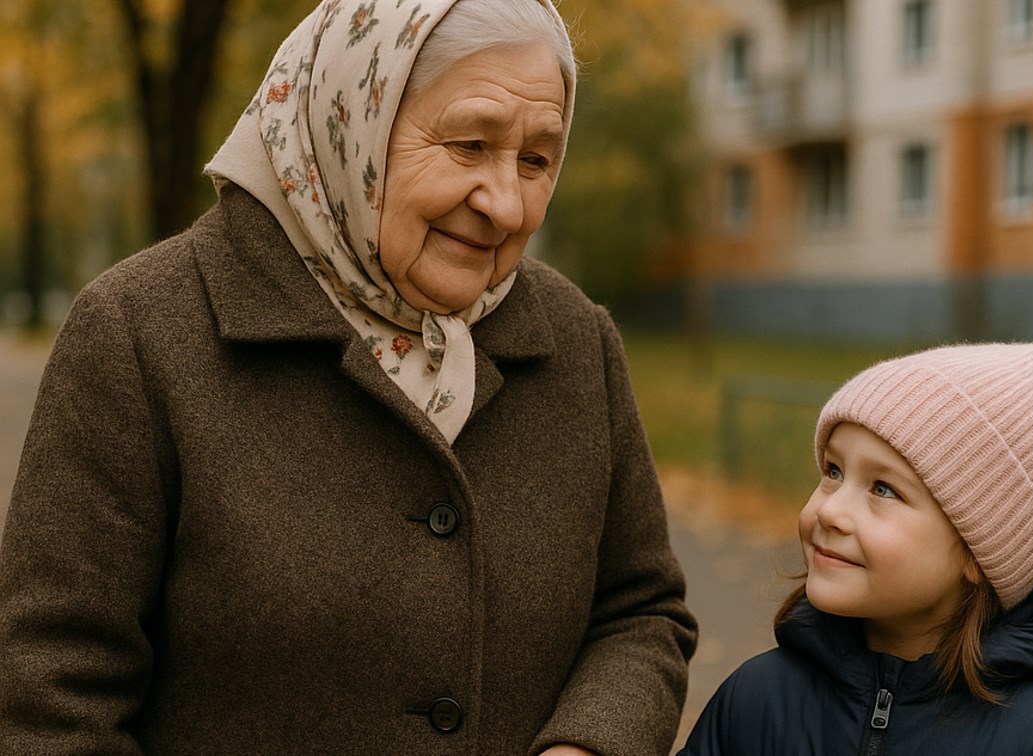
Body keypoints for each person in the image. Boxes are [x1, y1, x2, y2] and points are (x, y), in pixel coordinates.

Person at [0, 1, 697, 753]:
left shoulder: (577, 342)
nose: (506, 203)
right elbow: (51, 692)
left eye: (535, 160)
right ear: (351, 116)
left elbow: (642, 612)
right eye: (469, 144)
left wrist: (589, 745)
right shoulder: (139, 334)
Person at [680, 342, 1033, 754]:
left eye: (883, 489)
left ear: (978, 554)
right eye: (834, 471)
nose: (831, 511)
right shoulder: (756, 700)